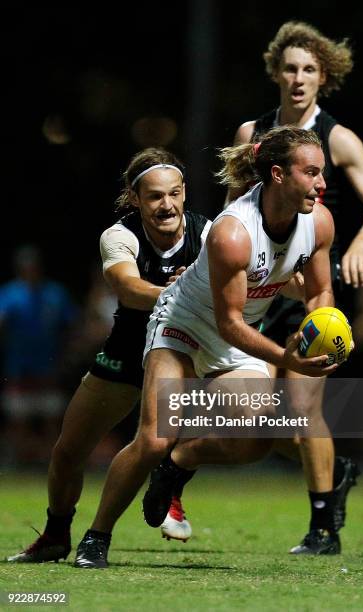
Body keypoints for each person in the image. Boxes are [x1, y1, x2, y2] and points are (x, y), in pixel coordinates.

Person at [73, 126, 339, 569]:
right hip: (182, 324)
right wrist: (288, 358)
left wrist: (319, 328)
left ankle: (180, 461)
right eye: (311, 172)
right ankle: (96, 537)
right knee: (155, 437)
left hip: (235, 330)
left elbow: (319, 291)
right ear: (277, 174)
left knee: (258, 438)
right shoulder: (234, 232)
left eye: (321, 172)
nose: (321, 183)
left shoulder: (320, 223)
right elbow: (228, 323)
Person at [222, 21, 363, 554]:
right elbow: (233, 210)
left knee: (302, 410)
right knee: (249, 418)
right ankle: (331, 471)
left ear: (324, 78)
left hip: (314, 287)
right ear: (276, 73)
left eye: (310, 70)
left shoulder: (338, 137)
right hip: (258, 287)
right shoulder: (254, 136)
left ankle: (323, 529)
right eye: (291, 68)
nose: (299, 79)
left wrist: (362, 245)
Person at [7, 147, 211, 563]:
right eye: (155, 196)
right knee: (68, 451)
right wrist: (180, 292)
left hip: (183, 353)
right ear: (136, 198)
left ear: (185, 193)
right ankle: (56, 535)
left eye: (174, 194)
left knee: (164, 437)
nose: (166, 205)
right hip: (126, 351)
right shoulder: (120, 235)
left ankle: (162, 487)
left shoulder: (209, 234)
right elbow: (128, 290)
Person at [0, 245, 77, 465]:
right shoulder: (9, 293)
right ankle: (17, 464)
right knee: (18, 419)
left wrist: (66, 355)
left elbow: (71, 325)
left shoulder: (54, 293)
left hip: (48, 366)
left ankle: (53, 463)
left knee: (52, 418)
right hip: (19, 367)